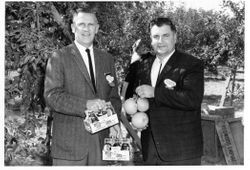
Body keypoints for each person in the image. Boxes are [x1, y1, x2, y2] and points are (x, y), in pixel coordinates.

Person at [44, 5, 121, 166]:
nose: (86, 29)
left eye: (91, 24)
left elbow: (114, 97)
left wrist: (114, 122)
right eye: (81, 24)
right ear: (73, 28)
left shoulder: (107, 59)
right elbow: (52, 96)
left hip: (100, 143)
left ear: (97, 28)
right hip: (70, 146)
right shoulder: (59, 57)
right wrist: (86, 105)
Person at [134, 17, 204, 165]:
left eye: (166, 35)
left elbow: (192, 99)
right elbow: (140, 99)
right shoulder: (144, 65)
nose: (160, 41)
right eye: (156, 36)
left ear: (175, 37)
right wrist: (135, 113)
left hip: (181, 150)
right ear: (151, 39)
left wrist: (155, 92)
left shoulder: (191, 64)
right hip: (150, 149)